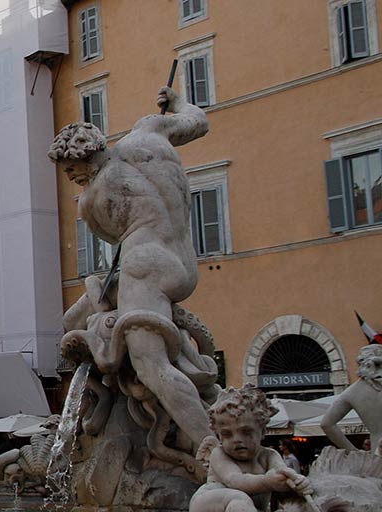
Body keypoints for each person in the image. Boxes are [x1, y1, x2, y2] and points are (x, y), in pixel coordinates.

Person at [51, 85, 215, 452]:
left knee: (150, 367)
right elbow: (198, 122)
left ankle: (213, 453)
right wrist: (175, 103)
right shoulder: (149, 131)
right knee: (72, 321)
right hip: (183, 261)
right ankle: (109, 400)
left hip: (145, 265)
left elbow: (114, 240)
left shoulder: (92, 199)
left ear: (86, 161)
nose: (72, 179)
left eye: (72, 172)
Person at [189, 385, 311, 512]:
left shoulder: (269, 455)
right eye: (227, 434)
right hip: (210, 502)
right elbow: (234, 480)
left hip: (248, 507)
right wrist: (267, 482)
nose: (237, 439)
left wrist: (297, 482)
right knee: (238, 497)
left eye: (246, 432)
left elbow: (282, 473)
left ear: (262, 431)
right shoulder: (219, 454)